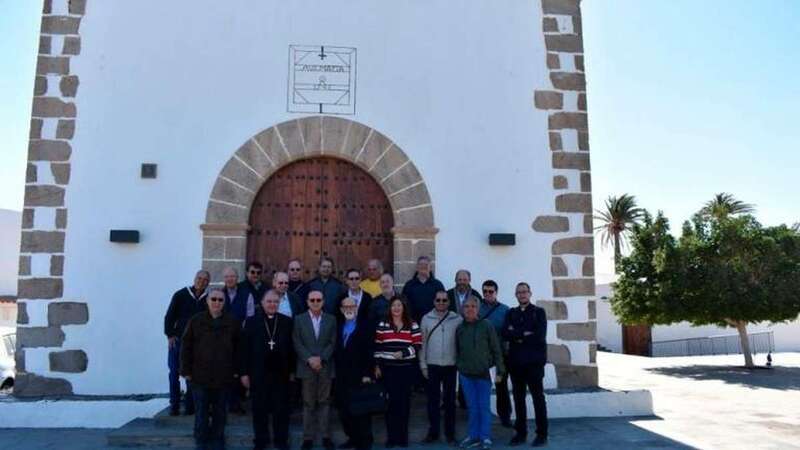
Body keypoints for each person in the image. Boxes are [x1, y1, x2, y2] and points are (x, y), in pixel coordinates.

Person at [180, 287, 241, 450]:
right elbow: (186, 346)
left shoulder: (232, 322)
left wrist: (236, 370)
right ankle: (201, 441)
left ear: (224, 302)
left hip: (224, 376)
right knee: (201, 412)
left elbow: (239, 348)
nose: (216, 302)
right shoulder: (196, 320)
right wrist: (185, 371)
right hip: (199, 376)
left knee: (220, 412)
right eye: (213, 299)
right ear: (207, 301)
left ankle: (218, 440)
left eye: (220, 300)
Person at [241, 290, 295, 450]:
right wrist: (244, 372)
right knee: (259, 410)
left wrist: (292, 371)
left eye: (275, 302)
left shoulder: (286, 321)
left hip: (281, 373)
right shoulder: (251, 322)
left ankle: (281, 441)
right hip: (258, 373)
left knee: (281, 410)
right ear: (262, 303)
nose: (272, 305)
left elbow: (292, 349)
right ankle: (260, 441)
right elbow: (244, 349)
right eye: (269, 302)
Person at [456, 296, 505, 450]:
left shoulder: (486, 325)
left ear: (478, 309)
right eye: (467, 306)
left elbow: (496, 349)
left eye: (473, 306)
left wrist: (500, 370)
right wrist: (460, 366)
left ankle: (485, 437)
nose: (470, 309)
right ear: (463, 309)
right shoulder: (460, 328)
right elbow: (457, 349)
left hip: (483, 373)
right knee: (472, 407)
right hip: (466, 375)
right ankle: (473, 436)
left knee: (483, 406)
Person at [503, 282, 548, 447]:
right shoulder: (511, 313)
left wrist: (517, 334)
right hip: (516, 364)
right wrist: (525, 333)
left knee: (538, 399)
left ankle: (542, 434)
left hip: (534, 364)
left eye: (524, 292)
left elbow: (539, 336)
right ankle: (520, 433)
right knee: (518, 399)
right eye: (519, 292)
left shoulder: (539, 312)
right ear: (516, 295)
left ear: (530, 293)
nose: (522, 295)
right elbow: (506, 333)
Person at [374, 297, 422, 448]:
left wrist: (403, 353)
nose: (396, 308)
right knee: (390, 405)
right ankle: (391, 437)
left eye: (399, 305)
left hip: (406, 370)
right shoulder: (383, 324)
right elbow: (378, 346)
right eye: (393, 305)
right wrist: (376, 365)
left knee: (404, 404)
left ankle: (402, 438)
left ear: (403, 307)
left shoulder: (412, 324)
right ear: (390, 308)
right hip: (388, 370)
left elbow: (417, 345)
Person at [293, 290, 337, 450]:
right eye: (312, 300)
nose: (315, 302)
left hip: (325, 366)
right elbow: (297, 341)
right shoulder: (299, 319)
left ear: (323, 301)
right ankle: (307, 438)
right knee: (308, 403)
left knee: (325, 402)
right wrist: (309, 359)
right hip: (306, 367)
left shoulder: (331, 319)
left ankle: (326, 437)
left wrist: (321, 358)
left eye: (318, 300)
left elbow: (333, 341)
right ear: (307, 302)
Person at [419, 290, 462, 444]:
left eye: (444, 300)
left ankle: (450, 433)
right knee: (433, 401)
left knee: (450, 401)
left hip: (451, 365)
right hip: (433, 365)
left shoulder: (457, 319)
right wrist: (423, 365)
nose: (441, 303)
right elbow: (422, 344)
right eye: (438, 300)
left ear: (449, 302)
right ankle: (433, 432)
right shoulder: (426, 319)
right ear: (434, 302)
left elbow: (460, 342)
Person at [164, 270, 209, 416]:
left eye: (205, 279)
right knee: (174, 373)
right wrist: (170, 335)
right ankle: (174, 404)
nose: (201, 281)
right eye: (199, 278)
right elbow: (169, 316)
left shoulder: (209, 298)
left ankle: (190, 406)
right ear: (194, 278)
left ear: (208, 282)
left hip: (197, 344)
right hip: (178, 341)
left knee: (193, 375)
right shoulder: (181, 295)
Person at [334, 297, 376, 450]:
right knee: (345, 411)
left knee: (362, 411)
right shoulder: (338, 327)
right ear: (341, 310)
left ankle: (365, 442)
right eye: (345, 307)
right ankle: (352, 438)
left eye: (352, 306)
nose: (349, 309)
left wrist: (367, 373)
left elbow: (370, 351)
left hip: (360, 375)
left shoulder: (365, 326)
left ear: (357, 308)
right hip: (341, 377)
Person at [478, 280, 512, 427]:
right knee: (480, 387)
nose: (487, 294)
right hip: (481, 356)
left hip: (499, 356)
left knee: (501, 387)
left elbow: (509, 333)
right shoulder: (477, 308)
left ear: (496, 292)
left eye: (490, 291)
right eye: (485, 291)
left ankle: (505, 417)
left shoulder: (505, 310)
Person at [221, 266, 246, 415]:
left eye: (232, 276)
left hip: (240, 338)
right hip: (222, 339)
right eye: (227, 277)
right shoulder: (218, 294)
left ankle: (236, 403)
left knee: (238, 370)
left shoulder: (246, 294)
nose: (230, 279)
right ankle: (222, 403)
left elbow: (249, 316)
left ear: (237, 278)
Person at [401, 256, 445, 324]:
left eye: (426, 265)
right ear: (417, 267)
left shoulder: (438, 285)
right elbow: (403, 303)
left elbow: (444, 304)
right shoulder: (409, 285)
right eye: (421, 264)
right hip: (413, 322)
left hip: (433, 322)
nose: (423, 266)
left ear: (430, 268)